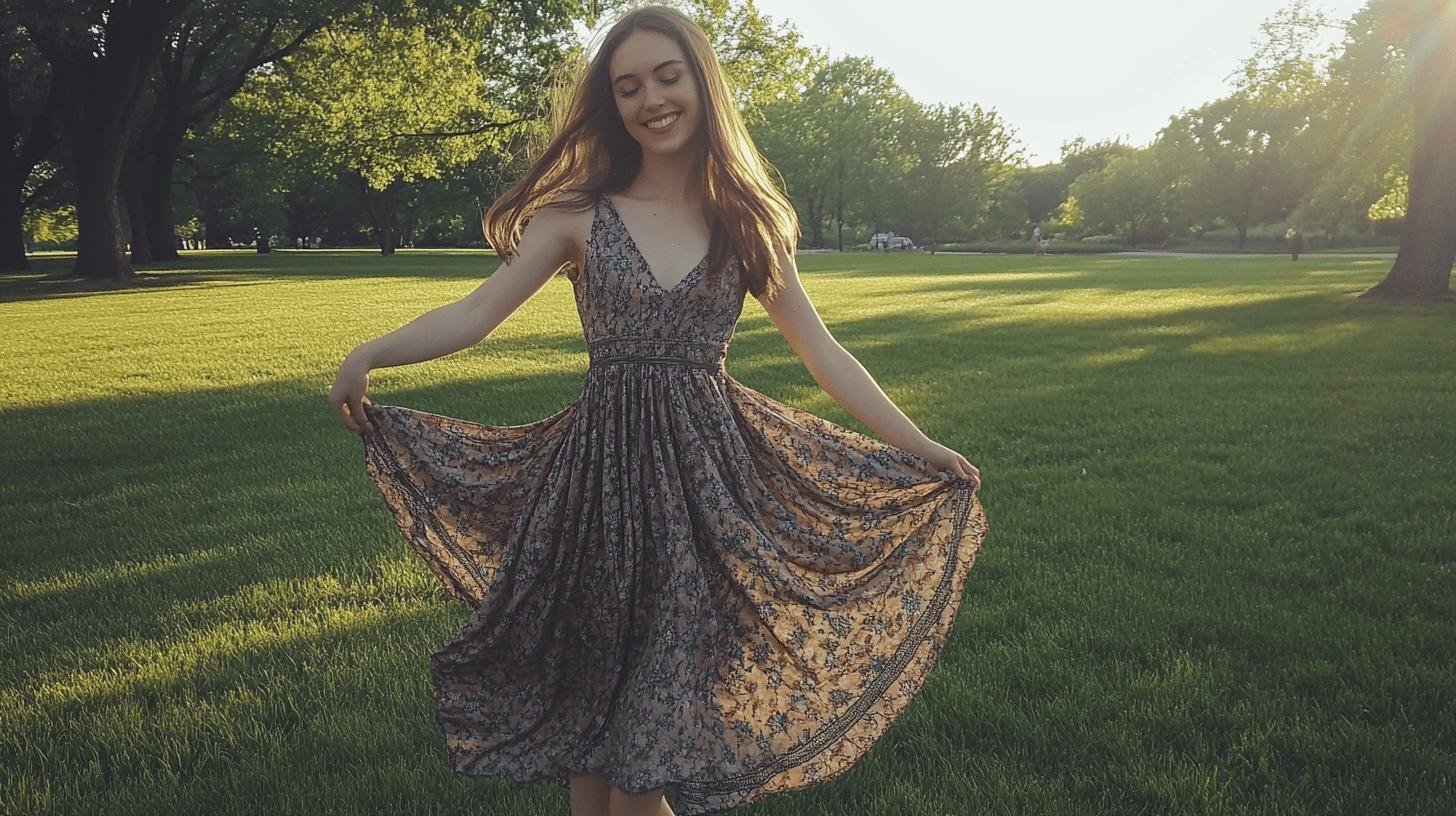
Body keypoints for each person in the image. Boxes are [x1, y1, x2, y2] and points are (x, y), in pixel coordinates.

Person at [328, 7, 986, 816]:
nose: (651, 99)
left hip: (700, 502)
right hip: (594, 501)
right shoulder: (576, 216)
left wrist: (918, 445)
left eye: (666, 77)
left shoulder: (746, 224)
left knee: (642, 769)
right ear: (614, 103)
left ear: (700, 83)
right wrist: (370, 355)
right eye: (628, 86)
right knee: (593, 759)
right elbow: (475, 312)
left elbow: (823, 353)